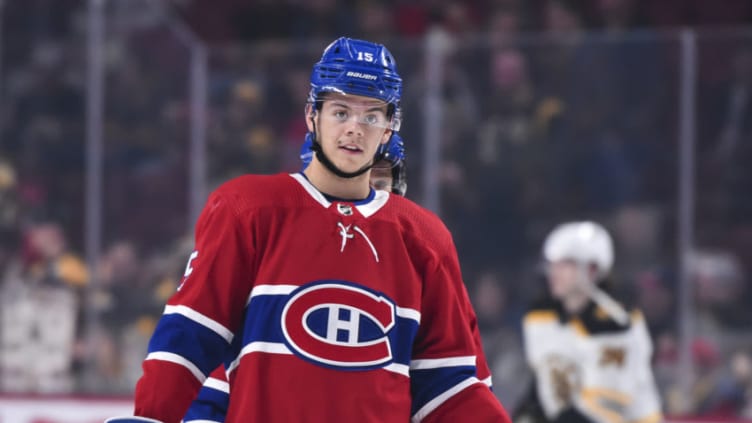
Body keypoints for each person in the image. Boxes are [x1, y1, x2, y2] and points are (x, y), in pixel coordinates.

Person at [107, 37, 510, 423]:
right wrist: (152, 417)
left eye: (372, 116)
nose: (355, 128)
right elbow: (192, 335)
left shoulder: (424, 237)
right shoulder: (248, 209)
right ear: (311, 116)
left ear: (389, 129)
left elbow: (449, 386)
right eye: (340, 112)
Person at [182, 132, 409, 423]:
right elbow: (209, 393)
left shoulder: (421, 271)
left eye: (378, 183)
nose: (361, 193)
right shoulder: (267, 269)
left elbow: (448, 386)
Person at [513, 221, 663, 423]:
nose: (554, 272)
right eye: (553, 264)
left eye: (565, 264)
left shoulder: (616, 323)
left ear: (592, 269)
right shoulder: (543, 317)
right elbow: (549, 378)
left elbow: (606, 409)